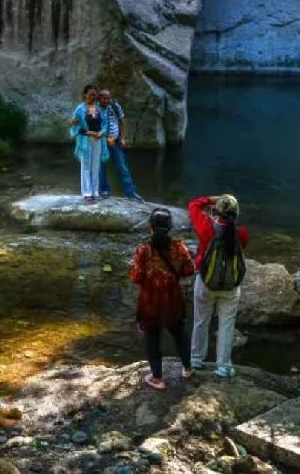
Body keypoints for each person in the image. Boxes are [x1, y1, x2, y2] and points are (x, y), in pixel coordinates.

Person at [129, 208, 195, 390]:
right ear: (170, 227)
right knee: (179, 334)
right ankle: (188, 368)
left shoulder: (144, 250)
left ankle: (157, 378)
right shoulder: (179, 247)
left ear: (150, 228)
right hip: (174, 300)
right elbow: (189, 269)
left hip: (150, 302)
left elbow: (135, 277)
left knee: (152, 338)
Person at [188, 194, 250, 377]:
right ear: (236, 215)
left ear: (217, 211)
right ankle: (224, 366)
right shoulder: (242, 234)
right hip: (231, 287)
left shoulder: (206, 228)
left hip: (205, 282)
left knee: (201, 320)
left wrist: (213, 199)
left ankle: (196, 359)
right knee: (227, 324)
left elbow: (193, 205)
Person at [98, 89, 143, 202]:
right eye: (104, 98)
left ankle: (130, 193)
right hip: (102, 143)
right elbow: (94, 127)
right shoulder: (96, 109)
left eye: (108, 98)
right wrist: (106, 138)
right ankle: (104, 191)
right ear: (100, 98)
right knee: (101, 168)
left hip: (116, 142)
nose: (106, 100)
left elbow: (122, 122)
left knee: (122, 168)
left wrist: (122, 138)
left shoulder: (115, 106)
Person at [69, 83, 109, 203]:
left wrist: (101, 133)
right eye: (90, 95)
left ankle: (95, 192)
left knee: (96, 166)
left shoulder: (99, 109)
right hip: (85, 141)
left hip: (98, 140)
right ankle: (87, 193)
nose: (92, 97)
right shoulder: (80, 109)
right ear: (85, 95)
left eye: (94, 95)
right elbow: (74, 128)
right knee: (86, 166)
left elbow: (105, 124)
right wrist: (88, 133)